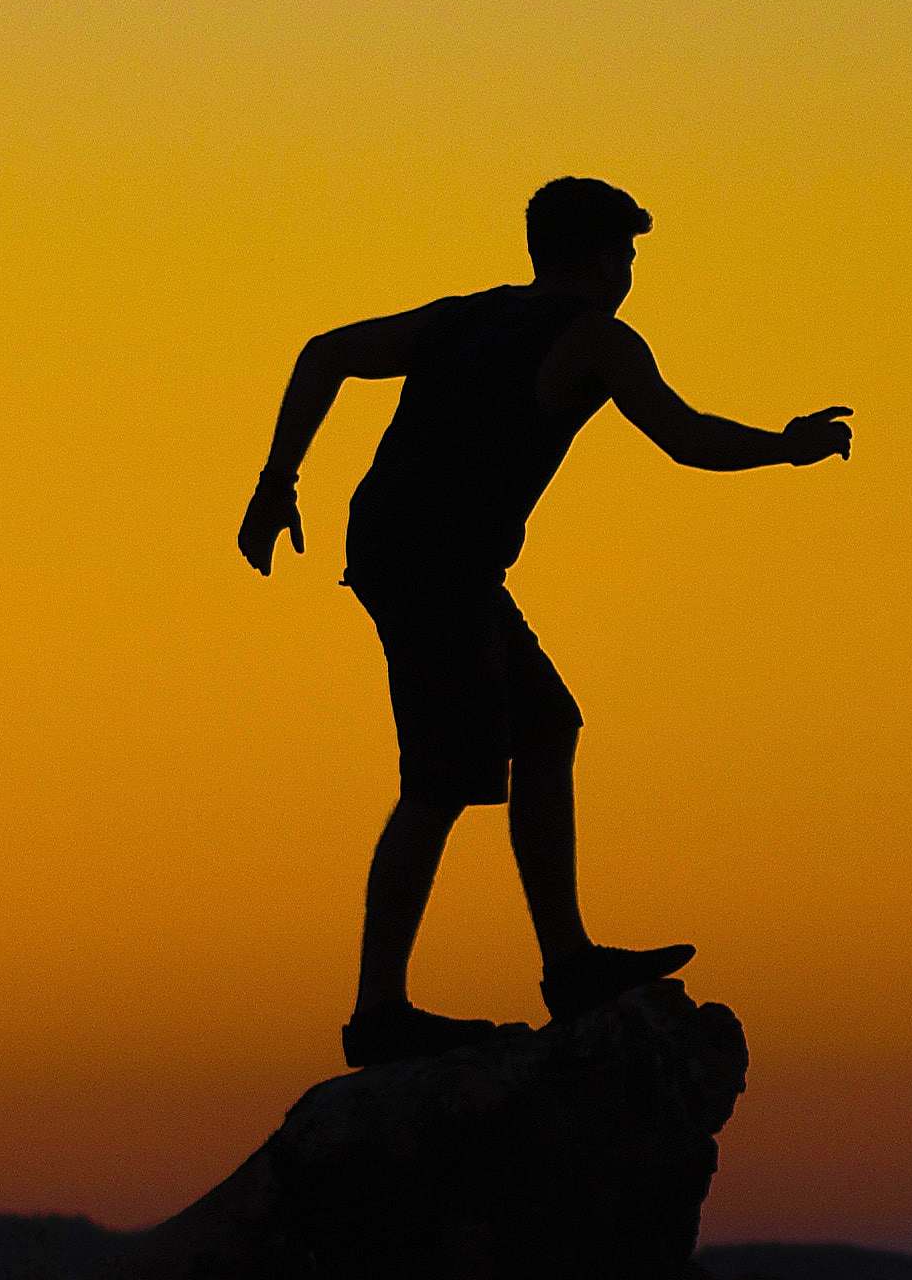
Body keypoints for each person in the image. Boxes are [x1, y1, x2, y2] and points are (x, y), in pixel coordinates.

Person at [238, 177, 854, 1067]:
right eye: (629, 253)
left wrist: (275, 483)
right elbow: (687, 439)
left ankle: (567, 964)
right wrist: (785, 447)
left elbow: (325, 352)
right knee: (442, 782)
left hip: (418, 552)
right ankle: (380, 1013)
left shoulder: (466, 316)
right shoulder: (595, 340)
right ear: (602, 257)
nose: (632, 269)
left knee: (545, 724)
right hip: (433, 564)